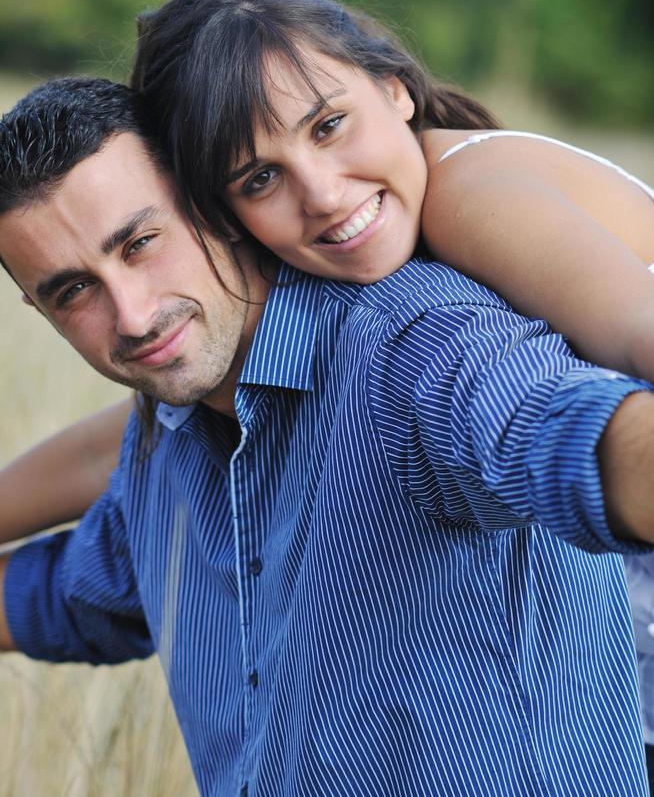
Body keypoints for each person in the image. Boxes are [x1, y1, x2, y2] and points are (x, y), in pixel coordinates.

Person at [1, 71, 654, 797]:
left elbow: (554, 428)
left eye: (141, 243)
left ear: (214, 205)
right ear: (39, 308)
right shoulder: (170, 450)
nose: (131, 314)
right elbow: (65, 595)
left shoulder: (408, 344)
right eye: (73, 291)